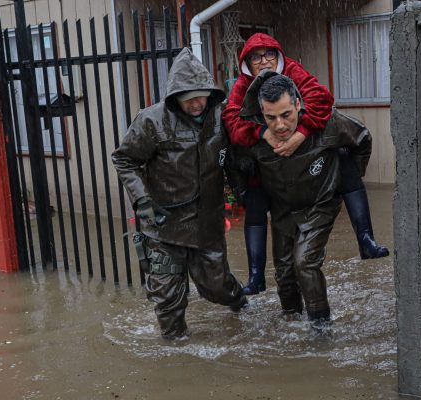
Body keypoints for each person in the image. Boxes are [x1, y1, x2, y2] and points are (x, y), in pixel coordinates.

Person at [222, 33, 388, 296]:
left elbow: (322, 99)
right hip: (270, 167)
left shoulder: (292, 71)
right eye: (255, 57)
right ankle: (255, 276)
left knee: (343, 157)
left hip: (310, 161)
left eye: (269, 54)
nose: (263, 61)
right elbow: (231, 122)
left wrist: (301, 134)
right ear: (246, 63)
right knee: (255, 195)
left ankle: (365, 238)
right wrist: (261, 133)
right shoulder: (242, 86)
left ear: (278, 56)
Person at [112, 48, 247, 339]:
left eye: (202, 97)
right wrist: (142, 199)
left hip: (207, 224)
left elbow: (234, 159)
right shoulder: (151, 120)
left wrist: (242, 194)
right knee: (167, 297)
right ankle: (176, 352)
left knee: (217, 287)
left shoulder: (220, 118)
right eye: (189, 99)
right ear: (176, 98)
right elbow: (125, 159)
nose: (197, 104)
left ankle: (242, 306)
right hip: (162, 227)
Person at [228, 71, 373, 328]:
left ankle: (321, 326)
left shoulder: (327, 124)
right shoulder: (256, 139)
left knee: (304, 262)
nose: (280, 126)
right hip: (283, 208)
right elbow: (236, 164)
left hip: (320, 203)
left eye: (286, 115)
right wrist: (246, 195)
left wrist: (348, 177)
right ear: (261, 113)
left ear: (297, 104)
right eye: (270, 118)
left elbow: (362, 139)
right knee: (284, 274)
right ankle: (292, 322)